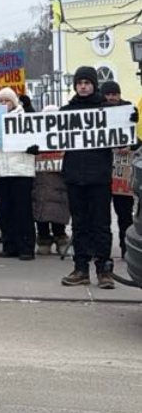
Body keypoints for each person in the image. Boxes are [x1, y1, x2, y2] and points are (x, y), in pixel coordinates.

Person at [60, 67, 117, 289]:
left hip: (99, 176)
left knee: (101, 225)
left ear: (94, 84)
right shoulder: (66, 111)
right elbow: (49, 137)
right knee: (80, 225)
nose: (83, 86)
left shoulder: (108, 110)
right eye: (79, 82)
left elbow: (126, 137)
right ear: (75, 86)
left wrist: (131, 121)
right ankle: (80, 268)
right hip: (74, 176)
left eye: (87, 82)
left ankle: (104, 269)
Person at [0, 88, 37, 261]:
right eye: (0, 101)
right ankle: (9, 244)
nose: (3, 104)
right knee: (4, 211)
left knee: (22, 210)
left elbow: (38, 140)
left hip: (21, 170)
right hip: (0, 171)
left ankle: (26, 247)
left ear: (14, 103)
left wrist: (34, 148)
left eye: (7, 101)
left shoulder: (25, 119)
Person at [101, 81, 138, 258]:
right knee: (100, 216)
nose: (111, 98)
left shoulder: (129, 112)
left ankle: (126, 247)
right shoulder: (97, 112)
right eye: (108, 94)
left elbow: (138, 139)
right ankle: (102, 250)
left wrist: (130, 146)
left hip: (122, 174)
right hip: (102, 171)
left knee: (125, 214)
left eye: (114, 94)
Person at [32, 106, 70, 256]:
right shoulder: (36, 137)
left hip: (58, 181)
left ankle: (60, 237)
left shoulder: (65, 136)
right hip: (40, 180)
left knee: (58, 212)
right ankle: (43, 238)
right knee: (40, 213)